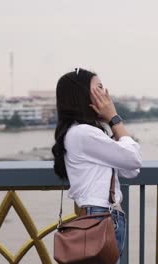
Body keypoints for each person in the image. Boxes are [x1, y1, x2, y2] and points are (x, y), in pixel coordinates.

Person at [52, 68, 142, 263]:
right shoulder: (83, 133)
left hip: (100, 216)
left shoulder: (83, 132)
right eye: (99, 88)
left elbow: (131, 170)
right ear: (83, 95)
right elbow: (134, 159)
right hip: (100, 217)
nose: (106, 95)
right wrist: (114, 118)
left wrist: (109, 125)